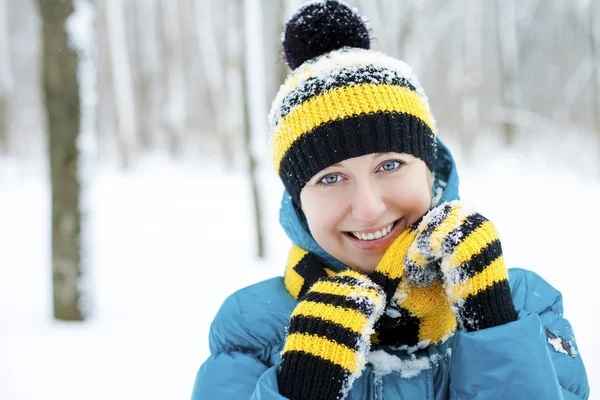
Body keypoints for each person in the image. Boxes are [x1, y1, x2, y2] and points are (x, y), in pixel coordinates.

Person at [191, 1, 589, 399]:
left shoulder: (520, 305)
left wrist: (491, 322)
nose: (369, 208)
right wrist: (300, 388)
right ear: (299, 202)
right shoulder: (252, 328)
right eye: (331, 177)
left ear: (429, 170)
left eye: (390, 165)